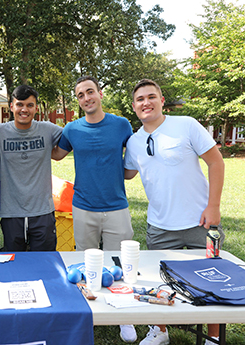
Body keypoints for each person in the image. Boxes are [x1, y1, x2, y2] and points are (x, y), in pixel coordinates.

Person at [124, 79, 225, 345]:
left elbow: (216, 161)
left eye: (151, 97)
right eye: (140, 99)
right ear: (134, 107)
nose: (146, 102)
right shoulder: (134, 141)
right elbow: (128, 173)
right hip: (159, 225)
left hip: (199, 222)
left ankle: (212, 337)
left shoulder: (186, 125)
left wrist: (213, 205)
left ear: (161, 100)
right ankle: (160, 331)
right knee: (158, 279)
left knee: (210, 280)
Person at [51, 75, 136, 343]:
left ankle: (124, 318)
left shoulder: (121, 125)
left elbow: (133, 158)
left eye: (90, 92)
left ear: (99, 94)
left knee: (118, 265)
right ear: (78, 101)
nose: (86, 98)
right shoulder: (72, 129)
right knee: (85, 264)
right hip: (83, 207)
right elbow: (56, 154)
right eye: (80, 95)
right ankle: (88, 312)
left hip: (116, 206)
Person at [0, 85, 62, 251]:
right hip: (11, 212)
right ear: (11, 107)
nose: (24, 109)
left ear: (36, 108)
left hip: (42, 211)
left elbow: (77, 135)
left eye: (30, 105)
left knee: (44, 262)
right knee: (14, 263)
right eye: (20, 105)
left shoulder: (48, 130)